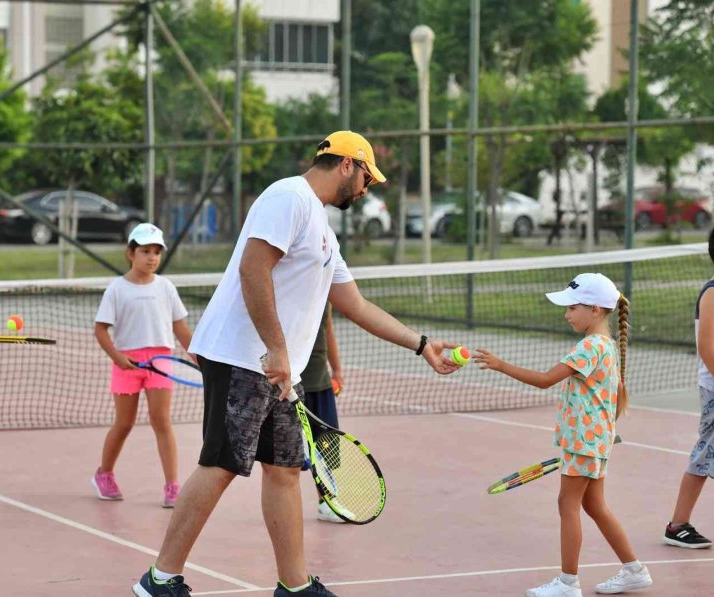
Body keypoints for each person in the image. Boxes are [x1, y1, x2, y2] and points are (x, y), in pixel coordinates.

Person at [132, 131, 459, 597]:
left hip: (280, 371)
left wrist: (421, 343)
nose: (369, 187)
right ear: (347, 164)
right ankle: (159, 580)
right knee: (221, 463)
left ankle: (295, 584)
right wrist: (278, 350)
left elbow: (356, 304)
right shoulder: (289, 198)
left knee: (284, 470)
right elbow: (253, 268)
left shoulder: (322, 230)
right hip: (240, 356)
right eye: (368, 176)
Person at [474, 273, 652, 597]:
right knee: (595, 506)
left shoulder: (589, 347)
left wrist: (501, 365)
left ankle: (568, 583)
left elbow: (545, 380)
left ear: (596, 310)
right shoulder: (607, 346)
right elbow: (615, 394)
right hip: (591, 440)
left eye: (572, 307)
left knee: (567, 504)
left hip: (584, 441)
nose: (566, 314)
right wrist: (604, 434)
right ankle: (634, 570)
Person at [93, 223, 193, 508]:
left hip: (160, 361)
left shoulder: (166, 288)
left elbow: (180, 327)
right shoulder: (116, 289)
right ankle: (104, 474)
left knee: (161, 421)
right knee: (124, 423)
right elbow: (100, 330)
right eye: (144, 251)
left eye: (156, 252)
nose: (151, 257)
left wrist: (197, 354)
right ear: (130, 253)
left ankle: (173, 486)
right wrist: (118, 358)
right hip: (126, 362)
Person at [662, 227, 714, 550]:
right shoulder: (713, 292)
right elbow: (707, 346)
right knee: (706, 453)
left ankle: (678, 523)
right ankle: (677, 524)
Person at [300, 305, 345, 523]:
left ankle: (326, 503)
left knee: (325, 448)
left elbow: (328, 331)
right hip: (291, 385)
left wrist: (336, 369)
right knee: (284, 460)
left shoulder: (325, 293)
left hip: (321, 382)